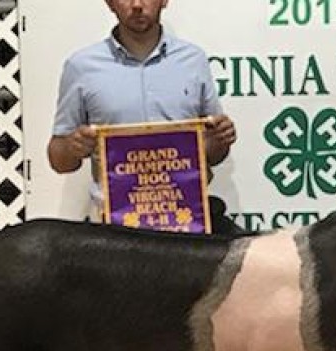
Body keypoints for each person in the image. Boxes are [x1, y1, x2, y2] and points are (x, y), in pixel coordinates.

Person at [47, 0, 239, 233]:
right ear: (110, 3)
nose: (137, 4)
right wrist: (72, 146)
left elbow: (212, 154)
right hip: (113, 228)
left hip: (186, 222)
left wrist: (219, 140)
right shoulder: (81, 67)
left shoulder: (193, 60)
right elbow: (59, 160)